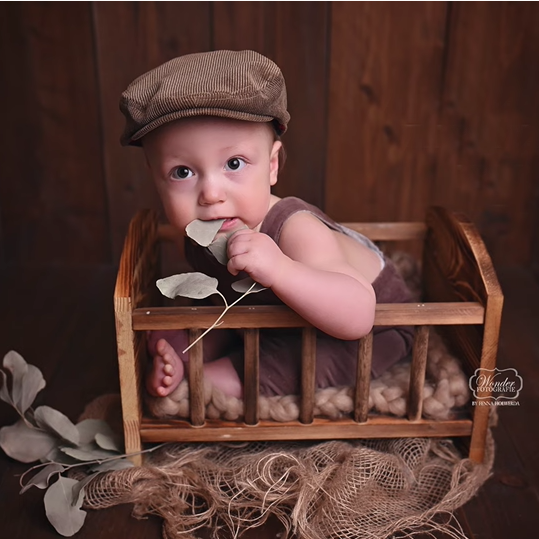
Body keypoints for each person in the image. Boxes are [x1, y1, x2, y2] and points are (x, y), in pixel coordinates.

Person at [120, 50, 413, 401]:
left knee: (292, 362)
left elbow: (358, 315)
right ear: (157, 181)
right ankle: (188, 350)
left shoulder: (294, 229)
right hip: (279, 319)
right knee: (224, 320)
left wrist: (281, 270)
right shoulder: (200, 236)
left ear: (272, 166)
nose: (211, 194)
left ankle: (214, 379)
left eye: (233, 163)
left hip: (363, 330)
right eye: (182, 172)